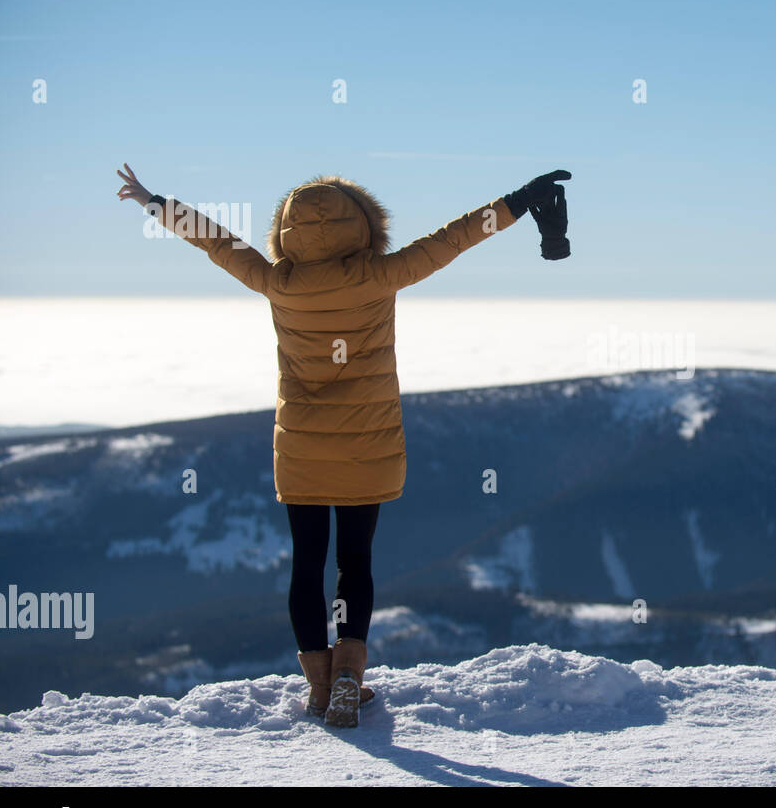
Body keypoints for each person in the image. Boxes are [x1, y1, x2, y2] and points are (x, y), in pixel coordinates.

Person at [115, 164, 571, 727]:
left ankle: (319, 683)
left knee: (306, 564)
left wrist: (154, 202)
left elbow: (215, 240)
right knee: (355, 562)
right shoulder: (381, 275)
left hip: (303, 447)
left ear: (286, 233)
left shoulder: (275, 281)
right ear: (363, 225)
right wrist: (522, 199)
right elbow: (458, 236)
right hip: (365, 444)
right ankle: (350, 673)